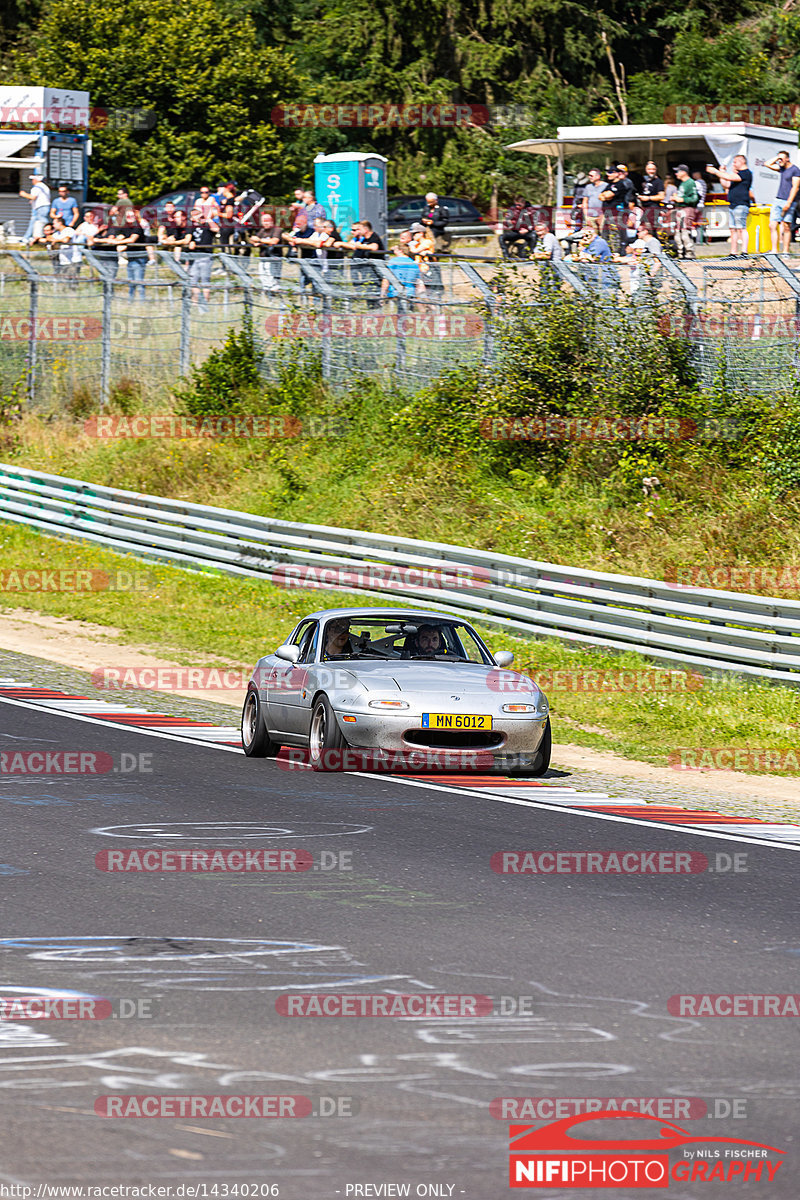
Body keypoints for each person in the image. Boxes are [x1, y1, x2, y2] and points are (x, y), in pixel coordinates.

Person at [708, 154, 752, 256]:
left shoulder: (746, 173)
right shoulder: (737, 175)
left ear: (742, 161)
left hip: (741, 204)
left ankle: (744, 251)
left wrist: (715, 171)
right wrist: (721, 172)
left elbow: (728, 177)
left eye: (735, 162)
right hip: (733, 204)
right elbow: (726, 184)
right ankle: (733, 252)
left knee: (741, 228)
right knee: (733, 229)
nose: (733, 164)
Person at [765, 150, 800, 253]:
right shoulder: (782, 169)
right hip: (778, 199)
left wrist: (789, 202)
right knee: (772, 225)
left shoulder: (795, 170)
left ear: (787, 158)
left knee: (786, 226)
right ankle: (774, 250)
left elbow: (795, 187)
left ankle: (785, 251)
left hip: (789, 200)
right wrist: (777, 158)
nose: (779, 161)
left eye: (782, 158)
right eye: (778, 159)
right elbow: (767, 164)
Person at [186, 204, 218, 311]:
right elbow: (187, 238)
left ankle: (204, 306)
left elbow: (216, 229)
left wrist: (207, 218)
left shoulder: (207, 225)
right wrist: (191, 242)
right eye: (194, 215)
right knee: (193, 282)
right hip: (194, 257)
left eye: (198, 214)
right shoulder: (190, 227)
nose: (197, 217)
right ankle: (195, 304)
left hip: (205, 256)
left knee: (205, 282)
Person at [600, 164, 634, 252]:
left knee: (617, 238)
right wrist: (606, 195)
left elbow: (608, 195)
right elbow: (600, 196)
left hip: (617, 214)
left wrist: (607, 195)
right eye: (608, 172)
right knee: (605, 237)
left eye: (611, 172)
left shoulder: (621, 184)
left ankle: (618, 255)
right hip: (608, 214)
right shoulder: (609, 185)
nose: (608, 174)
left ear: (617, 174)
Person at [117, 208, 149, 300]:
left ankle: (142, 303)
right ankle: (130, 301)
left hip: (139, 257)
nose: (129, 218)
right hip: (131, 257)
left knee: (139, 281)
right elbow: (120, 237)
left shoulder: (137, 227)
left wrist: (123, 246)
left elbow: (132, 239)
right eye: (127, 216)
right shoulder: (126, 227)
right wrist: (114, 241)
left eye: (132, 216)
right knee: (131, 281)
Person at [250, 210, 283, 291]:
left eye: (267, 221)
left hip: (274, 258)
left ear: (272, 221)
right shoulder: (262, 231)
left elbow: (274, 241)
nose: (266, 223)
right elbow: (253, 239)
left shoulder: (277, 229)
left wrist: (260, 241)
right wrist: (256, 241)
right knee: (264, 280)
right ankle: (266, 300)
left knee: (273, 282)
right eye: (264, 221)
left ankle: (274, 300)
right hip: (263, 258)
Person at [672, 164, 699, 260]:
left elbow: (695, 198)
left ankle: (689, 253)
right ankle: (681, 253)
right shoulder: (682, 183)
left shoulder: (690, 182)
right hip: (680, 209)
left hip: (687, 209)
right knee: (678, 232)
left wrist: (682, 199)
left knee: (685, 231)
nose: (676, 174)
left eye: (678, 171)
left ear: (684, 172)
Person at [19, 173, 51, 245]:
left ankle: (42, 236)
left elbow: (33, 197)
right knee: (33, 222)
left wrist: (23, 194)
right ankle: (27, 237)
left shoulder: (37, 187)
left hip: (40, 207)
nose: (32, 181)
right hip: (40, 207)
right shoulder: (43, 186)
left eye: (33, 179)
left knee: (42, 221)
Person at [637, 161, 664, 232]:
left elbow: (661, 196)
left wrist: (648, 198)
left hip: (653, 208)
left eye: (653, 169)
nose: (651, 171)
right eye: (649, 169)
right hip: (644, 208)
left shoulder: (658, 181)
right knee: (645, 228)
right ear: (646, 170)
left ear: (656, 170)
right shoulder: (644, 180)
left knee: (646, 228)